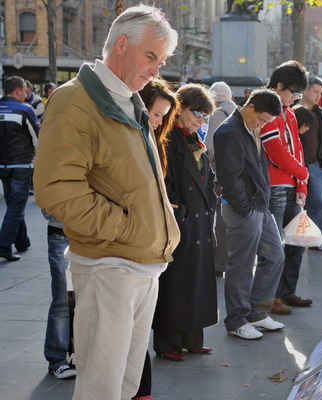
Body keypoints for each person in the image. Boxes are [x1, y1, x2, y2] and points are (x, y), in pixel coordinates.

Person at [33, 6, 181, 400]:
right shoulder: (75, 100)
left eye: (162, 60)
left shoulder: (128, 99)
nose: (156, 70)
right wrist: (125, 227)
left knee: (127, 385)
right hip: (109, 266)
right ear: (121, 44)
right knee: (101, 389)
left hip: (140, 265)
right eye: (151, 56)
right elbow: (55, 188)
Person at [152, 84, 218, 362]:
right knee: (175, 282)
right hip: (182, 221)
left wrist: (210, 202)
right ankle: (168, 343)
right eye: (197, 113)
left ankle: (193, 339)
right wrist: (182, 215)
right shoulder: (167, 138)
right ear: (180, 109)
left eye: (205, 115)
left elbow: (208, 177)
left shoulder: (193, 139)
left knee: (196, 280)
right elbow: (164, 182)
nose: (201, 120)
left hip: (199, 219)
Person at [213, 89, 285, 340]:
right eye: (262, 119)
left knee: (275, 255)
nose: (262, 125)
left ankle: (256, 313)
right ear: (250, 107)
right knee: (241, 266)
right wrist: (246, 207)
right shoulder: (228, 131)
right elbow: (229, 179)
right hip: (242, 208)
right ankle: (237, 320)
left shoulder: (249, 127)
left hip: (258, 206)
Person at [135, 76, 178, 400]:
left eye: (164, 116)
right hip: (130, 246)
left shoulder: (154, 139)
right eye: (156, 114)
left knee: (139, 329)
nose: (159, 121)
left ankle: (141, 390)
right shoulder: (132, 137)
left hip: (151, 247)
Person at [259, 60, 310, 316]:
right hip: (275, 184)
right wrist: (302, 174)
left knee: (296, 242)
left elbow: (297, 149)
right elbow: (276, 151)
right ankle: (271, 297)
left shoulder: (289, 112)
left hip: (291, 183)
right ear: (280, 86)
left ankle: (286, 291)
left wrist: (302, 183)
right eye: (294, 92)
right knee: (274, 245)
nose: (295, 97)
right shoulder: (266, 107)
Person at [0, 76, 40, 262]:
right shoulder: (25, 109)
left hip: (3, 166)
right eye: (25, 90)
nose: (26, 93)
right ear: (17, 91)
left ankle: (22, 242)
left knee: (14, 204)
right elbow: (37, 137)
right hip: (21, 165)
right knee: (16, 205)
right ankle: (4, 245)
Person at [297, 76, 322, 252]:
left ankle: (316, 240)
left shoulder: (321, 114)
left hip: (316, 165)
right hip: (296, 166)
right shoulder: (292, 110)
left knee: (317, 204)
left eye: (321, 93)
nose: (318, 96)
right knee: (295, 205)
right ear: (305, 90)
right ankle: (292, 240)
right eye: (315, 92)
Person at [206, 81, 237, 277]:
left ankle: (217, 263)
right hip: (238, 173)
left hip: (220, 173)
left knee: (218, 218)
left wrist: (207, 164)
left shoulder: (217, 114)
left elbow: (210, 145)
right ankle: (228, 261)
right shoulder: (238, 111)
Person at [42, 211, 75, 380]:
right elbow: (48, 208)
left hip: (95, 235)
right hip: (62, 234)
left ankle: (82, 355)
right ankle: (57, 360)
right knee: (62, 299)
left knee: (93, 297)